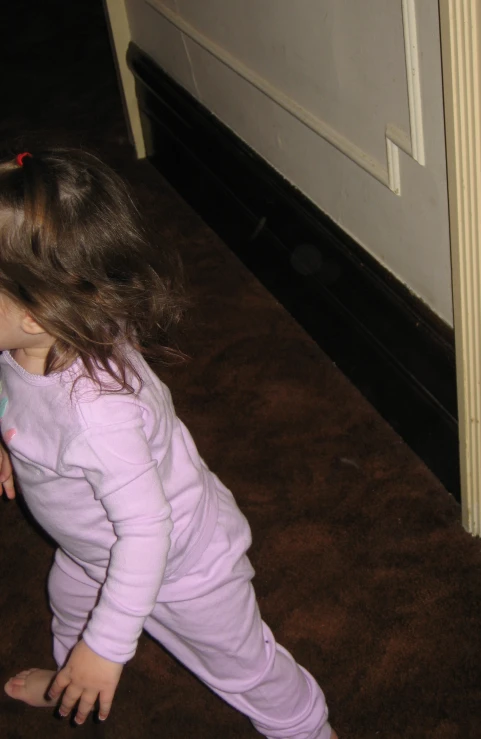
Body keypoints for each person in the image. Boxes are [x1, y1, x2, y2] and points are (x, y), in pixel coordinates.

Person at [0, 148, 337, 739]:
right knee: (68, 602)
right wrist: (10, 445)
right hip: (91, 548)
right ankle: (67, 678)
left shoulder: (98, 419)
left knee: (242, 665)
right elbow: (18, 401)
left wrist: (108, 648)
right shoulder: (27, 342)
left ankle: (307, 728)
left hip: (180, 562)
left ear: (36, 312)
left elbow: (146, 531)